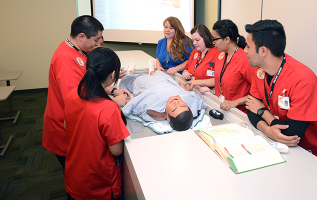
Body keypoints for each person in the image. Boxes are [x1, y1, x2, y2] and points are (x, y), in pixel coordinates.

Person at [244, 19, 317, 170]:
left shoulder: (303, 80)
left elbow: (291, 134)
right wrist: (267, 129)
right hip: (289, 150)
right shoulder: (260, 70)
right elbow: (250, 107)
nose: (244, 50)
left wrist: (263, 112)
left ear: (263, 51)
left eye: (248, 46)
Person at [43, 15, 129, 171]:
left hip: (71, 125)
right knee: (80, 173)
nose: (98, 44)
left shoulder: (77, 50)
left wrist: (113, 90)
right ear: (81, 36)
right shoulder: (66, 61)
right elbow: (78, 105)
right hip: (65, 130)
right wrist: (114, 103)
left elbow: (89, 82)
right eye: (96, 40)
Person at [64, 47, 129, 199]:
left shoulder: (73, 94)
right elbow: (116, 150)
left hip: (75, 178)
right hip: (99, 185)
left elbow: (67, 126)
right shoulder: (109, 108)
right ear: (113, 74)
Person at [186, 19, 255, 113]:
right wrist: (201, 85)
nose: (213, 42)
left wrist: (235, 102)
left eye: (215, 39)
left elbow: (257, 92)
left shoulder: (244, 60)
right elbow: (219, 80)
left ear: (227, 39)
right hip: (220, 107)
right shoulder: (221, 55)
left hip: (237, 113)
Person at [119, 70, 207, 131]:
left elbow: (136, 107)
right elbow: (199, 101)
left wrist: (129, 102)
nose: (177, 102)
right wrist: (186, 91)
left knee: (134, 80)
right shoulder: (190, 101)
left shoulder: (154, 109)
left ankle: (130, 71)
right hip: (166, 81)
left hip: (151, 84)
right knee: (159, 74)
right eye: (183, 105)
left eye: (174, 108)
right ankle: (152, 72)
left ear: (167, 117)